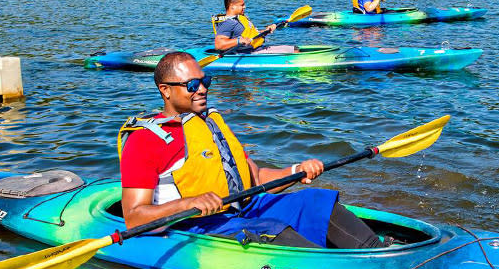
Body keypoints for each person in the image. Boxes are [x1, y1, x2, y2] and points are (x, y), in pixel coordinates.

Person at [117, 52, 386, 249]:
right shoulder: (145, 141)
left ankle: (379, 251)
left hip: (247, 209)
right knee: (273, 231)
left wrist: (295, 171)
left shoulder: (211, 123)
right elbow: (134, 217)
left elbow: (254, 179)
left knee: (316, 201)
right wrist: (189, 203)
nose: (202, 90)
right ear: (165, 90)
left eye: (205, 80)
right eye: (191, 85)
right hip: (202, 225)